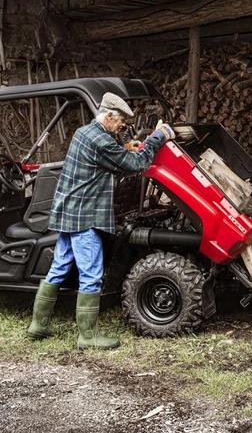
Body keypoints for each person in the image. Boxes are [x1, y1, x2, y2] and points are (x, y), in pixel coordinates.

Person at [27, 92, 175, 348]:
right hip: (84, 216)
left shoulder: (84, 133)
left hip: (69, 212)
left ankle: (38, 326)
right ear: (108, 116)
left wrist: (126, 146)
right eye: (120, 123)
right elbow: (136, 164)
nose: (123, 128)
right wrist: (157, 138)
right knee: (91, 273)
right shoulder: (101, 142)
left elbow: (109, 156)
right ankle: (87, 336)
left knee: (60, 266)